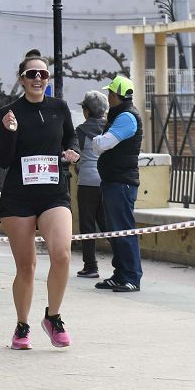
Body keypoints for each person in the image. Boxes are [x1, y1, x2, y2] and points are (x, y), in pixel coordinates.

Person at [0, 49, 80, 350]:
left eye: (43, 74)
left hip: (54, 193)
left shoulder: (60, 108)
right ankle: (22, 326)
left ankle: (53, 317)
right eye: (32, 74)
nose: (38, 79)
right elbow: (3, 160)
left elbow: (71, 137)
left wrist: (72, 152)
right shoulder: (9, 112)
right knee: (27, 266)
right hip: (19, 197)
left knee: (62, 255)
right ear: (21, 79)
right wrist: (9, 133)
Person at [92, 75, 144, 293]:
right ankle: (120, 274)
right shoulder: (119, 116)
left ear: (116, 95)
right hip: (114, 182)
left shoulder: (126, 118)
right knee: (115, 231)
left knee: (124, 231)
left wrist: (97, 141)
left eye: (110, 93)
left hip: (121, 183)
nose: (108, 96)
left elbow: (103, 144)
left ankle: (131, 277)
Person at [74, 91, 109, 279]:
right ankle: (121, 261)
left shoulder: (80, 131)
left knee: (88, 225)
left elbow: (75, 155)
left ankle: (91, 266)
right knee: (106, 223)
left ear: (87, 111)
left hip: (87, 181)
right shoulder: (111, 128)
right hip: (106, 182)